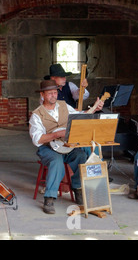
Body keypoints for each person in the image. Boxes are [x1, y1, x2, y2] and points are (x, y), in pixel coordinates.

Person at [29, 80, 103, 214]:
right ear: (42, 95)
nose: (53, 95)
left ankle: (78, 188)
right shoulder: (36, 115)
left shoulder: (63, 105)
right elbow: (37, 139)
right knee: (56, 161)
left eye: (55, 92)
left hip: (67, 146)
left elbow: (80, 115)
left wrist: (93, 109)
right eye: (50, 93)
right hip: (47, 148)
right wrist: (56, 134)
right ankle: (49, 198)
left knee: (81, 156)